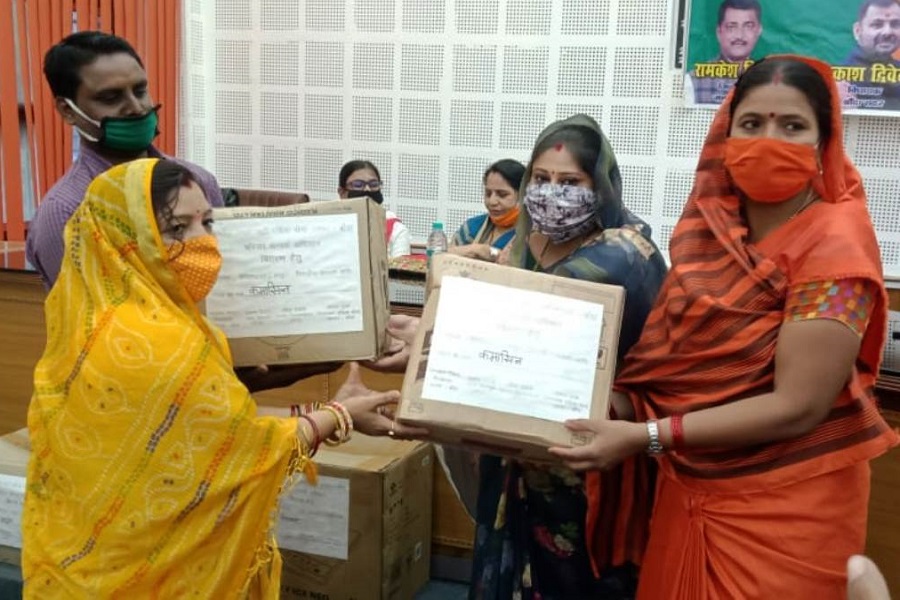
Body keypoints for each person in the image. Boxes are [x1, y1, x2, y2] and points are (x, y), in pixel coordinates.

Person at [550, 56, 900, 599]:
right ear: (726, 133)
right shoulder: (709, 233)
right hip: (689, 491)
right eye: (752, 123)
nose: (769, 139)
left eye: (793, 126)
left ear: (823, 141)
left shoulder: (836, 244)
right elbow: (668, 372)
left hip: (787, 508)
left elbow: (797, 406)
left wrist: (643, 437)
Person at [21, 158, 421, 598]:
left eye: (207, 222)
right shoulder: (157, 339)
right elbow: (239, 451)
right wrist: (338, 416)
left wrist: (320, 405)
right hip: (148, 577)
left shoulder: (96, 322)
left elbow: (207, 427)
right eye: (176, 229)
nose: (202, 242)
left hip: (87, 557)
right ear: (125, 238)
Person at [375, 115, 668, 599]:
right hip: (515, 444)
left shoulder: (623, 253)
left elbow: (530, 324)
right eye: (542, 180)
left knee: (572, 580)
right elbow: (503, 329)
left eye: (571, 182)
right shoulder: (528, 242)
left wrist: (437, 339)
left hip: (586, 457)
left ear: (603, 187)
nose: (553, 195)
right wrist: (431, 336)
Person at [26, 31, 223, 290]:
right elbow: (83, 314)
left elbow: (225, 280)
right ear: (67, 110)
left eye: (140, 91)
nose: (136, 107)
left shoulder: (198, 180)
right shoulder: (66, 211)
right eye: (110, 98)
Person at [448, 159, 525, 262]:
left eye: (502, 195)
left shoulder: (532, 237)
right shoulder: (471, 228)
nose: (492, 201)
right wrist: (476, 250)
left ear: (523, 195)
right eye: (488, 194)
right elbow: (441, 258)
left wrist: (490, 252)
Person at [689, 0, 763, 105]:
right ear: (719, 32)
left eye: (748, 26)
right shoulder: (695, 81)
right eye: (731, 27)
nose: (739, 36)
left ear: (759, 30)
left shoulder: (768, 80)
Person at [338, 160, 411, 259]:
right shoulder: (330, 225)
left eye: (373, 184)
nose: (367, 189)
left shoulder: (395, 228)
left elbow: (401, 271)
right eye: (358, 184)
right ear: (342, 192)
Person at [841, 0, 900, 110]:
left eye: (895, 24)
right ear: (858, 31)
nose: (887, 32)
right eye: (877, 25)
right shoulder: (844, 79)